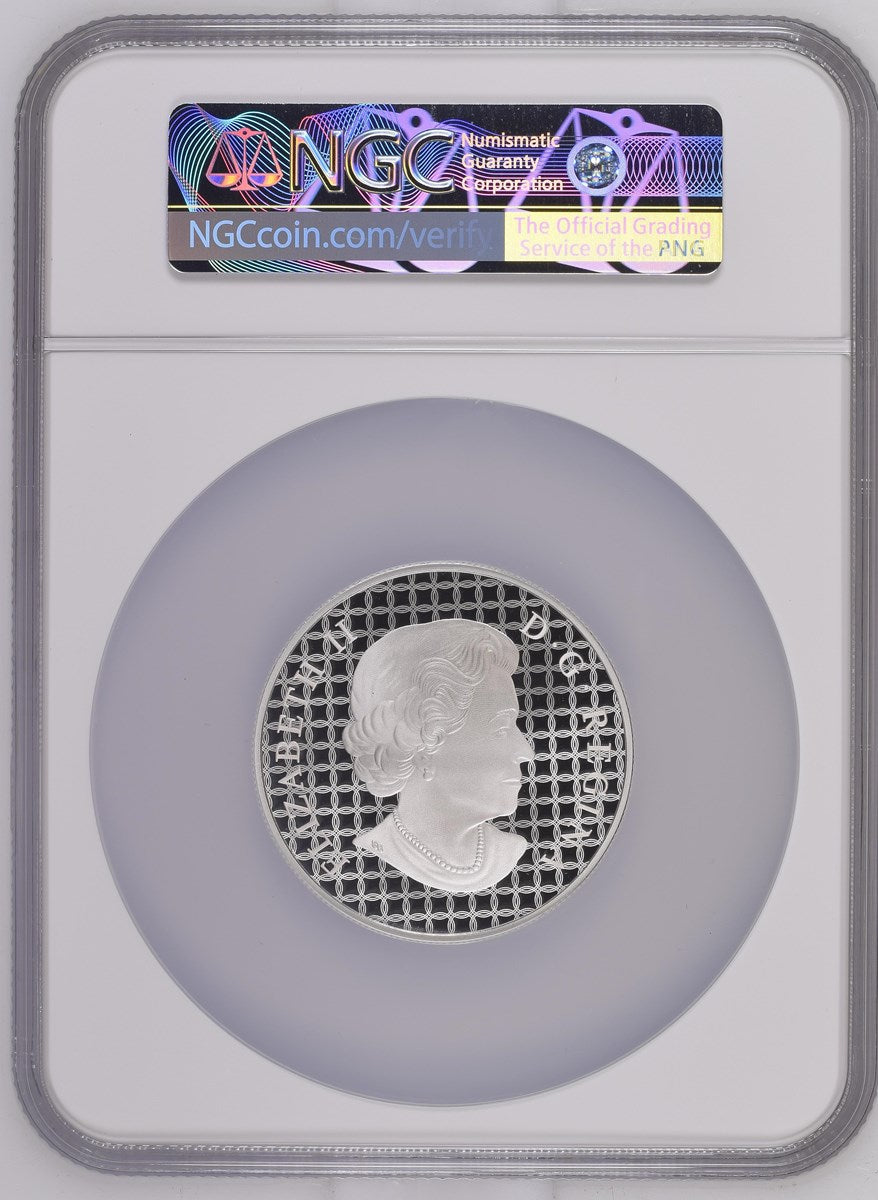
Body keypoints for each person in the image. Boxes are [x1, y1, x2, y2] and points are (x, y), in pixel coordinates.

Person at [342, 618, 535, 894]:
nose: (526, 752)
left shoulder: (512, 851)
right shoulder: (371, 857)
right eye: (501, 729)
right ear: (423, 747)